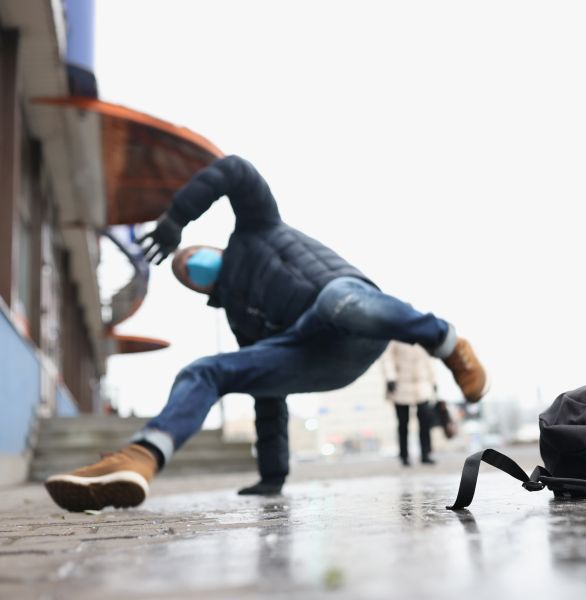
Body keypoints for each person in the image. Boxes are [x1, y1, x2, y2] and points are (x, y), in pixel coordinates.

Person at [44, 155, 489, 512]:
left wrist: (177, 217)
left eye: (190, 259)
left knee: (336, 302)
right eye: (184, 274)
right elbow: (268, 397)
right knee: (205, 371)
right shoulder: (241, 320)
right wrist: (272, 476)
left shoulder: (258, 226)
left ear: (210, 247)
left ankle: (447, 342)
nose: (188, 267)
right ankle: (141, 457)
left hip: (353, 315)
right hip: (319, 360)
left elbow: (234, 170)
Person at [382, 341, 438, 466]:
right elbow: (387, 358)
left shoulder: (423, 336)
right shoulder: (395, 336)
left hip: (421, 384)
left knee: (425, 421)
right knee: (403, 422)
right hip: (401, 384)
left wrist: (433, 381)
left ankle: (426, 453)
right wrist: (390, 378)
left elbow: (430, 360)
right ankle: (404, 456)